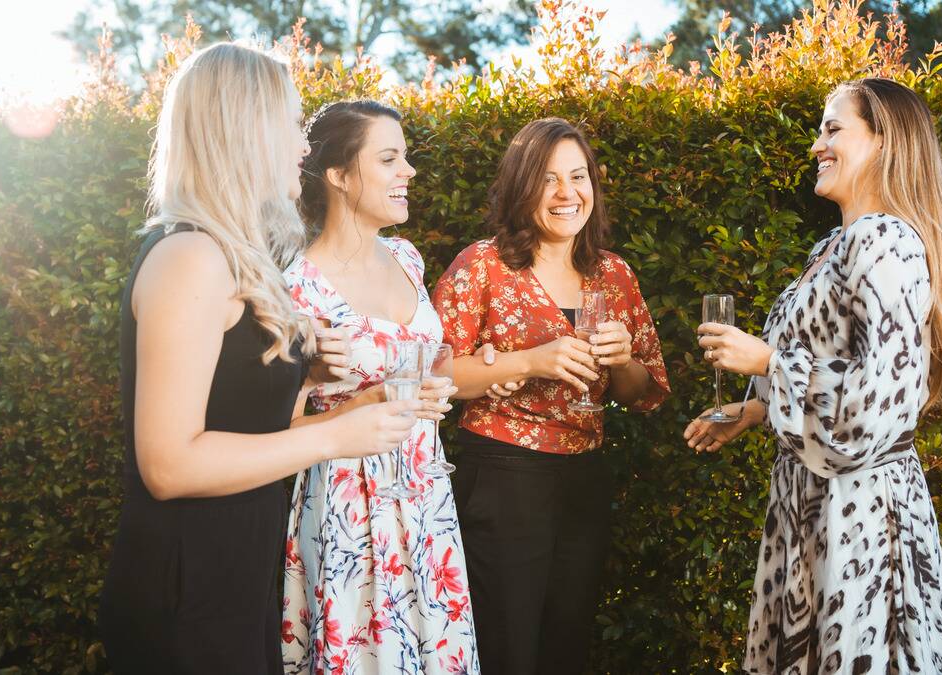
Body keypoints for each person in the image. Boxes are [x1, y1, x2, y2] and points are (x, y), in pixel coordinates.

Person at [684, 77, 942, 674]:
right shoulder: (838, 244)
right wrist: (759, 409)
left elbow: (883, 398)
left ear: (883, 143)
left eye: (832, 129)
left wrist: (770, 362)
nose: (817, 145)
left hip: (860, 519)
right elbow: (840, 367)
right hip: (812, 504)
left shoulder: (885, 241)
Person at [97, 44, 421, 674]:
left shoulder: (236, 256)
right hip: (186, 586)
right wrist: (331, 439)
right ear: (242, 129)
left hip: (237, 576)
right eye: (290, 125)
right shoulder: (188, 258)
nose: (303, 148)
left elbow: (246, 429)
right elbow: (168, 464)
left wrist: (325, 393)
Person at [432, 117, 671, 675]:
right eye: (548, 180)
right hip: (503, 476)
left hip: (585, 478)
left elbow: (645, 394)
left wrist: (623, 360)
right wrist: (528, 362)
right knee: (506, 647)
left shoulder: (613, 275)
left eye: (578, 176)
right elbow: (436, 373)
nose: (568, 194)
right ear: (521, 187)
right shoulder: (482, 266)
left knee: (567, 645)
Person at [280, 100, 480, 674]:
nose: (408, 172)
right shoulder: (297, 288)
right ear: (340, 177)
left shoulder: (406, 257)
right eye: (389, 158)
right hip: (348, 501)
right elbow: (276, 427)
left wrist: (448, 377)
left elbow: (428, 367)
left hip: (425, 492)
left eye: (406, 158)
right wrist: (347, 392)